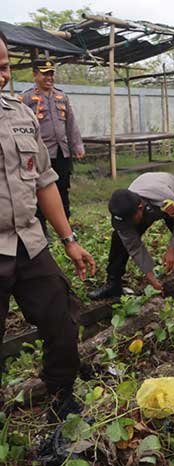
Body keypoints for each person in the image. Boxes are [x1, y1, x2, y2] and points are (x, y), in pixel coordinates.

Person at [0, 32, 96, 422]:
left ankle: (62, 398)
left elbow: (43, 181)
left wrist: (69, 240)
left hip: (29, 242)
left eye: (4, 66)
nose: (1, 76)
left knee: (61, 319)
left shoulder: (21, 114)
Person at [88, 172, 174, 300]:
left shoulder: (167, 201)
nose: (127, 225)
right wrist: (151, 277)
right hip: (146, 188)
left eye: (129, 221)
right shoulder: (123, 210)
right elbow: (134, 246)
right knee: (119, 239)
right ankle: (113, 284)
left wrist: (172, 249)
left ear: (140, 208)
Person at [19, 60, 84, 236]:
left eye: (51, 74)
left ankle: (66, 227)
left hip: (61, 152)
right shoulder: (25, 98)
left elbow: (71, 123)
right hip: (40, 154)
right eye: (45, 73)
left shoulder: (62, 97)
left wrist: (77, 145)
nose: (49, 77)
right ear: (35, 74)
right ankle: (42, 228)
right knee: (39, 190)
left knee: (63, 188)